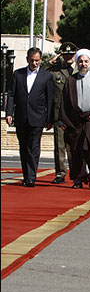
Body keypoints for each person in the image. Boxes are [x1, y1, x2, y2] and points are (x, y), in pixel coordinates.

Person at [59, 49, 90, 189]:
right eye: (80, 61)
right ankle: (78, 178)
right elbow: (65, 103)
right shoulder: (70, 81)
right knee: (76, 151)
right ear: (77, 63)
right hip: (75, 122)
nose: (83, 64)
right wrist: (63, 120)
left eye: (86, 61)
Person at [5, 47, 54, 187]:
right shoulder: (18, 74)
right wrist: (9, 113)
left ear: (41, 60)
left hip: (37, 118)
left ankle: (31, 178)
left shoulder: (46, 76)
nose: (34, 63)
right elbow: (12, 94)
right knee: (23, 147)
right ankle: (26, 176)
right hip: (21, 117)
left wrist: (50, 119)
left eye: (37, 60)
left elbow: (50, 99)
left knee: (34, 147)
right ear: (27, 59)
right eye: (32, 60)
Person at [43, 41, 78, 184]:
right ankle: (60, 173)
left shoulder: (80, 70)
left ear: (75, 54)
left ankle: (76, 173)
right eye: (65, 55)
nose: (68, 57)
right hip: (59, 115)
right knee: (60, 147)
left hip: (76, 116)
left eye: (71, 54)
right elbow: (40, 75)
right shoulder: (55, 70)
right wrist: (50, 62)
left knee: (75, 147)